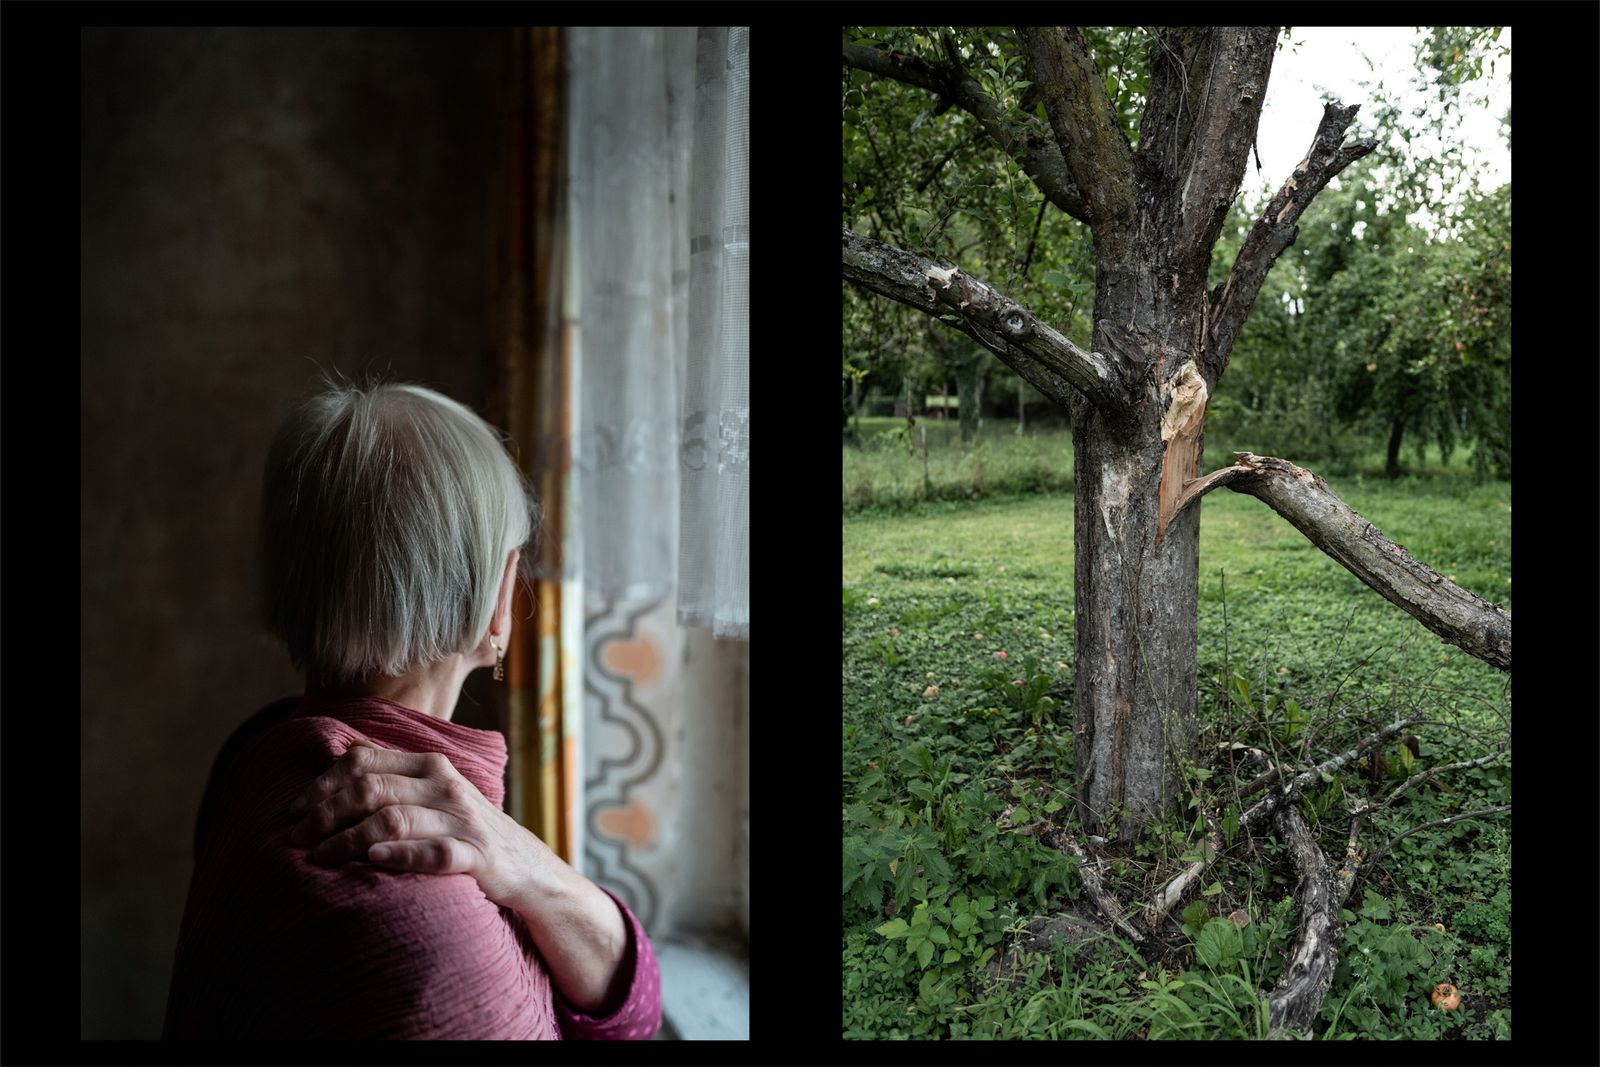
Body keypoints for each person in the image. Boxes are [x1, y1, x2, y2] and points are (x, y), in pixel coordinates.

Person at [163, 381, 661, 1039]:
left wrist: (527, 861)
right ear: (499, 601)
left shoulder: (258, 751)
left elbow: (633, 1005)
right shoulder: (431, 935)